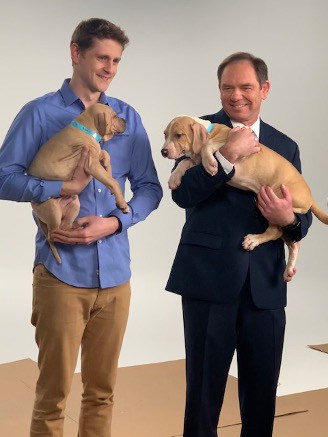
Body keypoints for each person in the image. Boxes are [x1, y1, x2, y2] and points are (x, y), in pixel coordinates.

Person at [0, 18, 162, 437]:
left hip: (115, 277)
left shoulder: (126, 117)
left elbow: (148, 189)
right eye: (101, 58)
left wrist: (113, 222)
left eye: (116, 61)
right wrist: (63, 186)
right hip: (60, 276)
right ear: (76, 53)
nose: (109, 68)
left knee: (102, 393)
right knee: (52, 395)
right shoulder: (40, 113)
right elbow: (3, 177)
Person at [165, 52, 312, 437]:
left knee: (262, 397)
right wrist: (228, 155)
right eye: (227, 87)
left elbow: (303, 217)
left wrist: (288, 221)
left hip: (265, 286)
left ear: (264, 89)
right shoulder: (196, 130)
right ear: (219, 90)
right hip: (207, 281)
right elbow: (183, 195)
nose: (236, 96)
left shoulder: (284, 145)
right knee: (202, 396)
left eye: (246, 87)